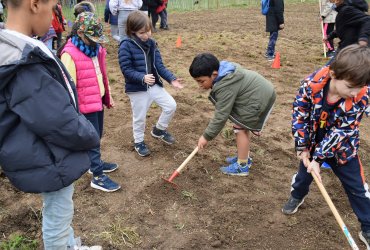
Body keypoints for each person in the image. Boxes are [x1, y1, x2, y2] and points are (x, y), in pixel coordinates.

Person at [0, 0, 103, 248]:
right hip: (49, 156)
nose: (57, 15)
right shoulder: (22, 62)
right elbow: (56, 120)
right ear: (34, 4)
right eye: (54, 7)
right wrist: (90, 134)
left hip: (44, 151)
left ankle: (71, 245)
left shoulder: (15, 46)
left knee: (59, 209)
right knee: (58, 215)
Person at [281, 45, 370, 249]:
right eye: (350, 86)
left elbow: (342, 131)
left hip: (343, 149)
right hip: (312, 143)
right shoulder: (309, 85)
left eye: (361, 86)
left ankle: (368, 227)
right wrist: (303, 147)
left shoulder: (360, 96)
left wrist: (319, 159)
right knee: (304, 177)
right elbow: (299, 115)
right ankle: (297, 195)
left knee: (357, 188)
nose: (354, 92)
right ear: (333, 75)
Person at [59, 12, 121, 192]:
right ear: (79, 33)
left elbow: (101, 74)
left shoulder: (96, 49)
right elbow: (69, 87)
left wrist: (107, 95)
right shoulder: (69, 54)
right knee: (91, 139)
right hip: (84, 106)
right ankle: (97, 176)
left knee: (97, 134)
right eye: (92, 37)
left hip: (97, 100)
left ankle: (93, 162)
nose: (96, 41)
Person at [189, 53, 276, 176]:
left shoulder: (225, 86)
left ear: (214, 75)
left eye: (201, 81)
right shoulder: (224, 72)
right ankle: (244, 157)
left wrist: (206, 136)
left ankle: (242, 166)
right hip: (260, 93)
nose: (200, 85)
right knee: (241, 126)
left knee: (240, 129)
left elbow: (221, 116)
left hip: (259, 99)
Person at [119, 11, 183, 157]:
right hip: (137, 88)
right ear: (132, 31)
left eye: (148, 30)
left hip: (153, 84)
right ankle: (139, 142)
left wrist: (171, 79)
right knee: (139, 117)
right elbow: (126, 69)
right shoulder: (126, 45)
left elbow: (159, 66)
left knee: (171, 105)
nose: (147, 35)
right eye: (142, 32)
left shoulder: (152, 44)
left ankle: (159, 130)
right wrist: (142, 77)